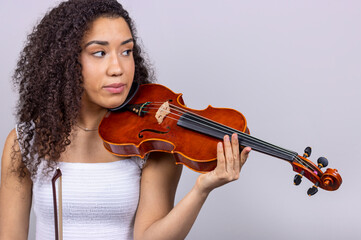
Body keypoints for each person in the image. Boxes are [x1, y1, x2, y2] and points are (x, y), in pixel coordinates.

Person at [0, 0, 251, 239]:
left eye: (126, 51)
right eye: (99, 53)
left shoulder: (152, 142)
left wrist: (201, 189)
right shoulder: (25, 142)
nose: (117, 68)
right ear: (65, 62)